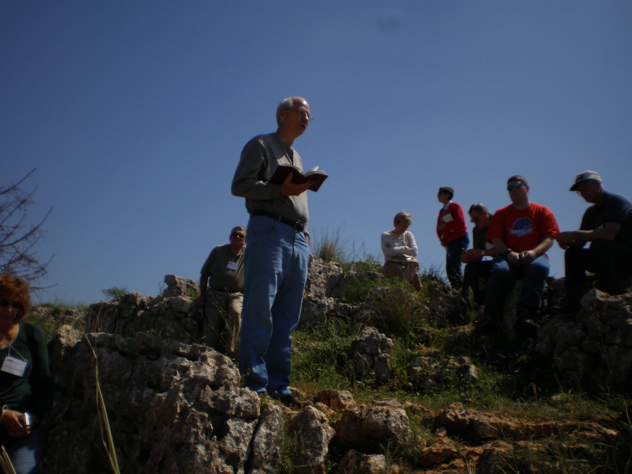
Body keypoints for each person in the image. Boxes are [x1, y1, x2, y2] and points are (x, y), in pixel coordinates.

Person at [231, 96, 314, 408]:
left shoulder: (298, 156)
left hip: (297, 237)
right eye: (302, 113)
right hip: (268, 230)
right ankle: (255, 381)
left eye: (310, 116)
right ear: (283, 114)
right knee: (259, 306)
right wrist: (278, 190)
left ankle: (280, 386)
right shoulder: (261, 144)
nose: (307, 119)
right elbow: (240, 186)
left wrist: (303, 231)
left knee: (287, 315)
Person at [480, 176, 560, 338]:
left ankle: (528, 316)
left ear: (527, 188)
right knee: (500, 271)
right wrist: (509, 253)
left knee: (539, 267)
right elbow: (496, 239)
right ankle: (491, 319)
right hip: (508, 255)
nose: (513, 190)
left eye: (517, 186)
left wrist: (533, 253)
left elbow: (549, 238)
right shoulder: (502, 213)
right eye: (509, 188)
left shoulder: (542, 211)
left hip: (535, 254)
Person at [556, 171, 632, 311]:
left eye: (586, 186)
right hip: (605, 257)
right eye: (580, 190)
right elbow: (580, 242)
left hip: (626, 257)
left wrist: (573, 234)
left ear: (598, 184)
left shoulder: (616, 202)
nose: (583, 191)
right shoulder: (591, 212)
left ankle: (610, 291)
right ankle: (574, 302)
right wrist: (568, 242)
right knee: (573, 254)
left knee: (599, 244)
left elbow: (609, 234)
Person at [0, 275, 51, 474]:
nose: (10, 309)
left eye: (16, 304)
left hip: (23, 432)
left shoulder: (31, 335)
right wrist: (3, 415)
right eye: (3, 303)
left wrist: (32, 419)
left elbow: (44, 382)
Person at [195, 226, 246, 357]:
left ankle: (231, 352)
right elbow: (204, 273)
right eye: (235, 234)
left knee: (236, 312)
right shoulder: (218, 251)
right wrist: (202, 295)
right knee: (211, 326)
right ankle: (206, 355)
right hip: (215, 293)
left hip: (236, 294)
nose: (238, 237)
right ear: (230, 237)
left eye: (241, 236)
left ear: (245, 240)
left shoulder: (249, 256)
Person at [461, 203, 497, 306]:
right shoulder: (477, 231)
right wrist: (468, 258)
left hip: (507, 261)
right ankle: (468, 304)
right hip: (494, 262)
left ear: (485, 213)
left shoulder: (499, 222)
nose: (475, 223)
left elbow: (505, 249)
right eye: (473, 221)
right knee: (470, 268)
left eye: (476, 219)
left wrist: (481, 252)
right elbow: (478, 257)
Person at [436, 187, 469, 289]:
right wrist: (442, 239)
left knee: (455, 266)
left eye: (440, 193)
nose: (438, 195)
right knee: (450, 268)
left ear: (447, 195)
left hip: (459, 239)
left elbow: (460, 222)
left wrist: (445, 226)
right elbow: (438, 227)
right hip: (450, 242)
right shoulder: (442, 211)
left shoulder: (455, 206)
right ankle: (456, 290)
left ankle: (462, 291)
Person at [381, 211, 423, 291]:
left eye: (406, 226)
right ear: (396, 223)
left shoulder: (408, 235)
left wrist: (395, 249)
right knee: (413, 274)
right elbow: (388, 252)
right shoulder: (386, 235)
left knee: (414, 265)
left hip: (407, 264)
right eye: (401, 225)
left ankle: (402, 288)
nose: (403, 228)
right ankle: (402, 289)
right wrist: (404, 248)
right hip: (392, 264)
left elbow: (414, 251)